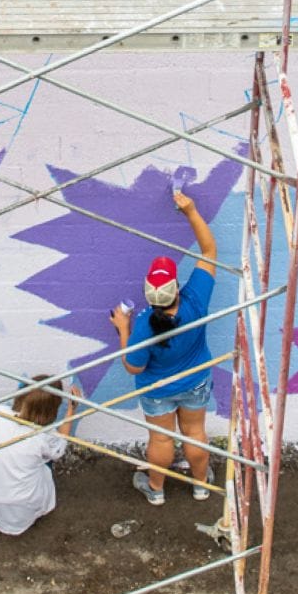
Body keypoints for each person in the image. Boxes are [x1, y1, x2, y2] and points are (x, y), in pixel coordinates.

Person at [110, 189, 218, 506]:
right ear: (175, 289)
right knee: (194, 433)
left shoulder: (142, 324)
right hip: (195, 380)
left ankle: (156, 488)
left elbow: (134, 367)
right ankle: (200, 485)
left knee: (160, 437)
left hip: (156, 389)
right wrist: (191, 212)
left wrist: (123, 330)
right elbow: (209, 251)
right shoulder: (195, 300)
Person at [0, 375, 83, 535]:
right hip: (21, 502)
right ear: (51, 409)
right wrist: (72, 409)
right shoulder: (43, 436)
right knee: (48, 458)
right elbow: (58, 450)